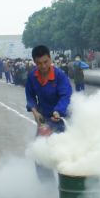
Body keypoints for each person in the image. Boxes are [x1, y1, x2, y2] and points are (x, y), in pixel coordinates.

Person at [25, 45, 72, 182]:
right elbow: (30, 96)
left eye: (46, 61)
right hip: (45, 118)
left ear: (50, 58)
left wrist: (58, 111)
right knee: (40, 152)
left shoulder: (60, 75)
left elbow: (65, 96)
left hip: (63, 118)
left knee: (66, 153)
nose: (43, 66)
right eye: (39, 63)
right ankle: (47, 187)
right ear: (34, 62)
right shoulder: (32, 76)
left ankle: (69, 184)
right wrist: (35, 112)